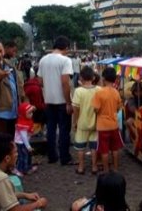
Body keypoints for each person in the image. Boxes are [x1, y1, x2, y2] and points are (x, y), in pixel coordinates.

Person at [0, 133, 48, 211]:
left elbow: (3, 195)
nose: (17, 155)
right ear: (7, 158)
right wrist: (38, 204)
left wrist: (24, 195)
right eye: (16, 152)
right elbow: (15, 210)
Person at [38, 35, 74, 165]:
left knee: (51, 129)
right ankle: (65, 157)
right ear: (65, 47)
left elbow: (40, 81)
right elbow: (65, 82)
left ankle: (52, 156)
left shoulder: (43, 60)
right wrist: (68, 102)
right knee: (64, 130)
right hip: (62, 101)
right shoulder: (65, 60)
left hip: (48, 101)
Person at [92, 67, 123, 172]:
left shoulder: (99, 93)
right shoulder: (116, 92)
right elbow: (118, 108)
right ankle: (115, 168)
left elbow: (96, 110)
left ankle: (106, 170)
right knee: (115, 149)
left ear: (103, 78)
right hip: (114, 124)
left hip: (102, 126)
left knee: (104, 150)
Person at [72, 66, 101, 174]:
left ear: (81, 77)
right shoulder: (99, 90)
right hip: (95, 123)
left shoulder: (78, 91)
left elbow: (76, 108)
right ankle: (94, 167)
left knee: (81, 147)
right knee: (94, 147)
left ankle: (81, 167)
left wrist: (75, 122)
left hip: (82, 123)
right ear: (93, 77)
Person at [13, 102, 38, 177]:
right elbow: (23, 137)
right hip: (21, 143)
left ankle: (27, 167)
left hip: (24, 142)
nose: (31, 114)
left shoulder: (26, 121)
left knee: (27, 155)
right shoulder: (22, 124)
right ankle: (20, 169)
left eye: (31, 113)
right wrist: (28, 146)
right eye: (29, 113)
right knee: (23, 156)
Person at [24, 66, 46, 133]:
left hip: (28, 110)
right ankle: (38, 131)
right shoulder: (36, 88)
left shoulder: (30, 83)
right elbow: (38, 106)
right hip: (34, 114)